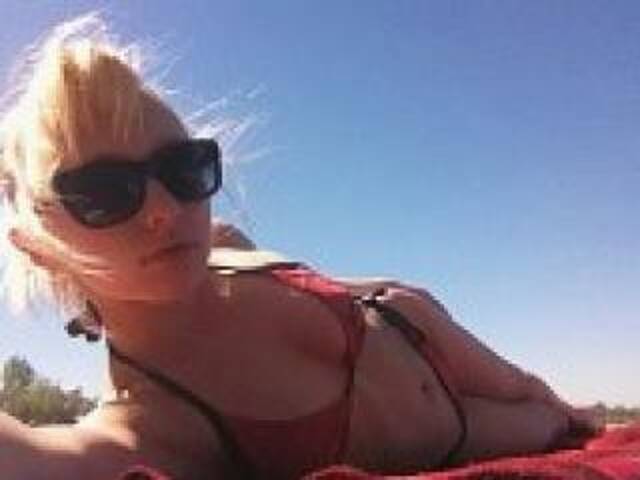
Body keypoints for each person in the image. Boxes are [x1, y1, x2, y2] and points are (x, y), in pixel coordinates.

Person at [0, 14, 602, 480]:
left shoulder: (220, 243)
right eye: (104, 192)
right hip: (461, 430)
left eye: (184, 169)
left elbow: (320, 284)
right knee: (552, 423)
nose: (165, 208)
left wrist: (389, 295)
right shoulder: (146, 420)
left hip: (419, 324)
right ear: (36, 245)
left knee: (552, 402)